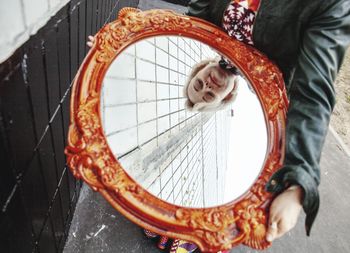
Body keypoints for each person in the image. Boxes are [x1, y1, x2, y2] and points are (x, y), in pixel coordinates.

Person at [186, 0, 350, 245]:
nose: (207, 86)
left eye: (204, 89)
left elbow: (312, 92)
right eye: (205, 91)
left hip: (264, 110)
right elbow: (199, 10)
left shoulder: (331, 5)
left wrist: (298, 184)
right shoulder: (213, 70)